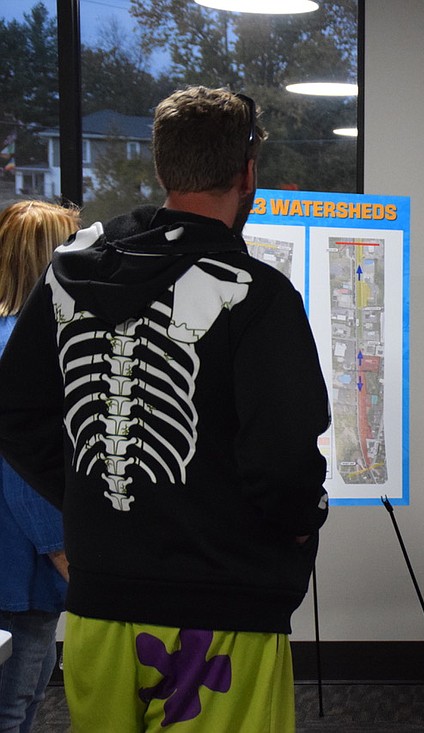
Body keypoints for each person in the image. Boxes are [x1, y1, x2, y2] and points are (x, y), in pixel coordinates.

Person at [0, 87, 330, 733]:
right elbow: (284, 453)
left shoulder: (67, 277)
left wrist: (87, 495)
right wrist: (297, 522)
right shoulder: (257, 295)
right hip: (223, 606)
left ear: (160, 168)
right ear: (248, 171)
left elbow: (16, 411)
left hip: (100, 599)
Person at [0, 200, 79, 733]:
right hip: (22, 563)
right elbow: (20, 462)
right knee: (16, 704)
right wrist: (61, 549)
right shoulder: (31, 348)